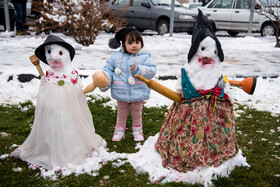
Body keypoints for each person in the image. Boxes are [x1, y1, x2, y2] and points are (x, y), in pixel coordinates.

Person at [155, 10, 239, 172]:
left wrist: (227, 95)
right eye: (204, 49)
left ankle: (216, 148)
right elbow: (181, 87)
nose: (209, 56)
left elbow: (223, 86)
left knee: (216, 132)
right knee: (186, 134)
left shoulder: (216, 70)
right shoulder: (189, 70)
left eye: (213, 52)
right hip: (189, 110)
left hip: (214, 110)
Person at [11, 35, 104, 170]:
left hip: (68, 105)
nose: (54, 58)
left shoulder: (70, 74)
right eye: (49, 53)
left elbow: (77, 95)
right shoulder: (48, 75)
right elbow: (44, 94)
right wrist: (46, 87)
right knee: (52, 121)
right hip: (51, 103)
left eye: (60, 53)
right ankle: (50, 147)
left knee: (68, 121)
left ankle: (71, 147)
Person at [99, 28, 157, 141]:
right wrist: (105, 82)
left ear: (141, 43)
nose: (134, 45)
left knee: (137, 113)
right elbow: (108, 70)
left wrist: (139, 69)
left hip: (138, 91)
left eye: (137, 42)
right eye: (130, 43)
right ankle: (119, 130)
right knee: (121, 113)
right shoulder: (115, 57)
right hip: (121, 91)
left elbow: (152, 71)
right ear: (123, 44)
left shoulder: (144, 57)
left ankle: (137, 130)